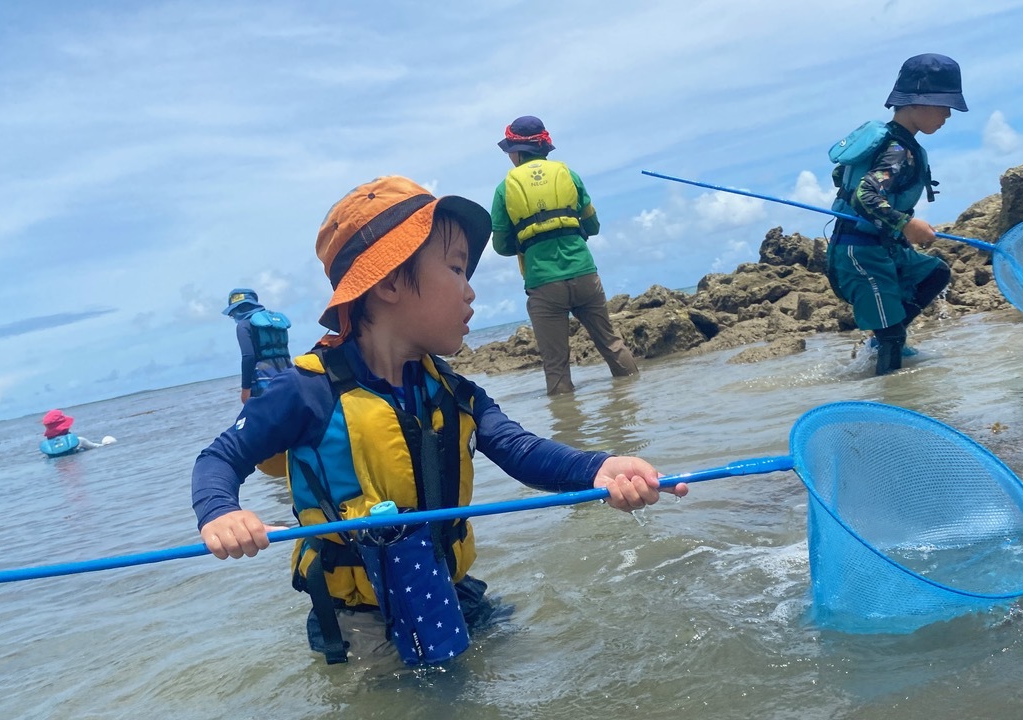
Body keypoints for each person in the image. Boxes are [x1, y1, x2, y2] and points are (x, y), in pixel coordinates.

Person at [193, 176, 687, 668]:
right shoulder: (303, 392)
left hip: (454, 590)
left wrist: (599, 470)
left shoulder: (452, 391)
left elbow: (520, 449)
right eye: (456, 269)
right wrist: (222, 512)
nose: (471, 292)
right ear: (388, 282)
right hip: (362, 620)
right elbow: (221, 457)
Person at [824, 54, 968, 375]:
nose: (948, 114)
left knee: (934, 273)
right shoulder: (897, 151)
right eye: (943, 105)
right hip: (860, 252)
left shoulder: (899, 144)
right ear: (917, 103)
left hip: (884, 247)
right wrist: (905, 223)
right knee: (893, 335)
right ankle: (890, 398)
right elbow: (865, 193)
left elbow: (842, 178)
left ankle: (883, 340)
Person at [490, 116, 639, 395]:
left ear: (518, 151)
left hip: (544, 283)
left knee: (556, 365)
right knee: (612, 344)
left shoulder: (504, 188)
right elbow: (593, 226)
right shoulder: (569, 175)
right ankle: (634, 403)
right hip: (584, 274)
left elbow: (501, 246)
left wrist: (529, 242)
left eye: (509, 150)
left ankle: (568, 433)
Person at [223, 288, 293, 403]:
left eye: (232, 313)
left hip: (264, 378)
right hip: (289, 372)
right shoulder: (274, 321)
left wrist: (245, 389)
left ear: (238, 309)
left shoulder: (243, 325)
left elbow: (248, 357)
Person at [39, 409, 114, 456]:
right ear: (66, 426)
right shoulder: (79, 441)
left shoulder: (48, 448)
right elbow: (96, 446)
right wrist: (107, 444)